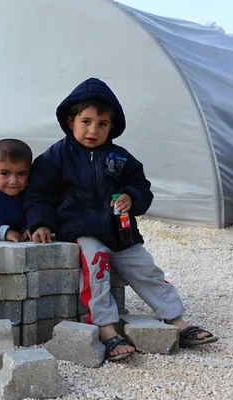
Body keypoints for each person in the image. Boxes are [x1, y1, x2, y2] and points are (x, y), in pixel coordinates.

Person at [24, 77, 218, 361]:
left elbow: (142, 188)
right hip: (83, 228)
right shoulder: (56, 157)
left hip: (121, 231)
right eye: (86, 121)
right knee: (97, 270)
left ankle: (176, 319)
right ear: (70, 121)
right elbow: (39, 194)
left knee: (147, 270)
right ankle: (106, 329)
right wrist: (41, 223)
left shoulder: (120, 158)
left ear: (112, 127)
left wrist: (131, 197)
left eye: (102, 124)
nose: (93, 130)